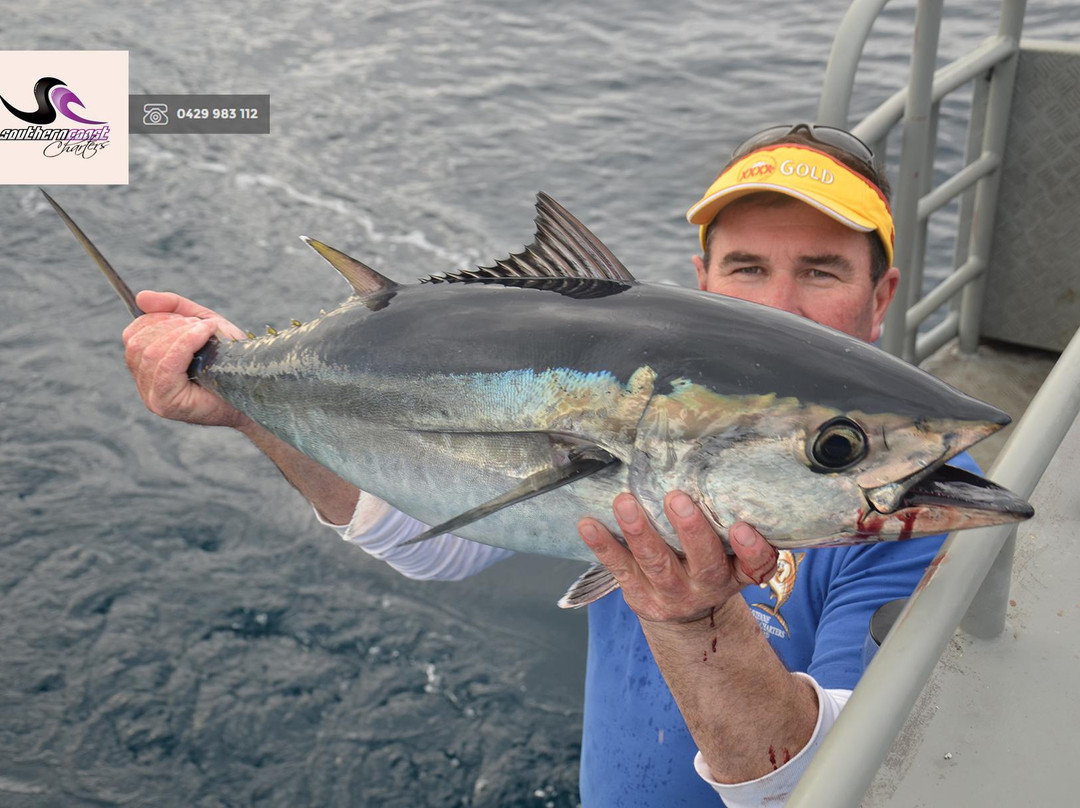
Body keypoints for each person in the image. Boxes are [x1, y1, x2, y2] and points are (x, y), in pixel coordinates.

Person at [122, 124, 970, 806]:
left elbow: (852, 786)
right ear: (701, 279)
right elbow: (437, 539)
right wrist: (245, 401)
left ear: (881, 295)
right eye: (746, 267)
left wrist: (694, 621)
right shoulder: (657, 424)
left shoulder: (911, 533)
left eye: (821, 270)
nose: (781, 305)